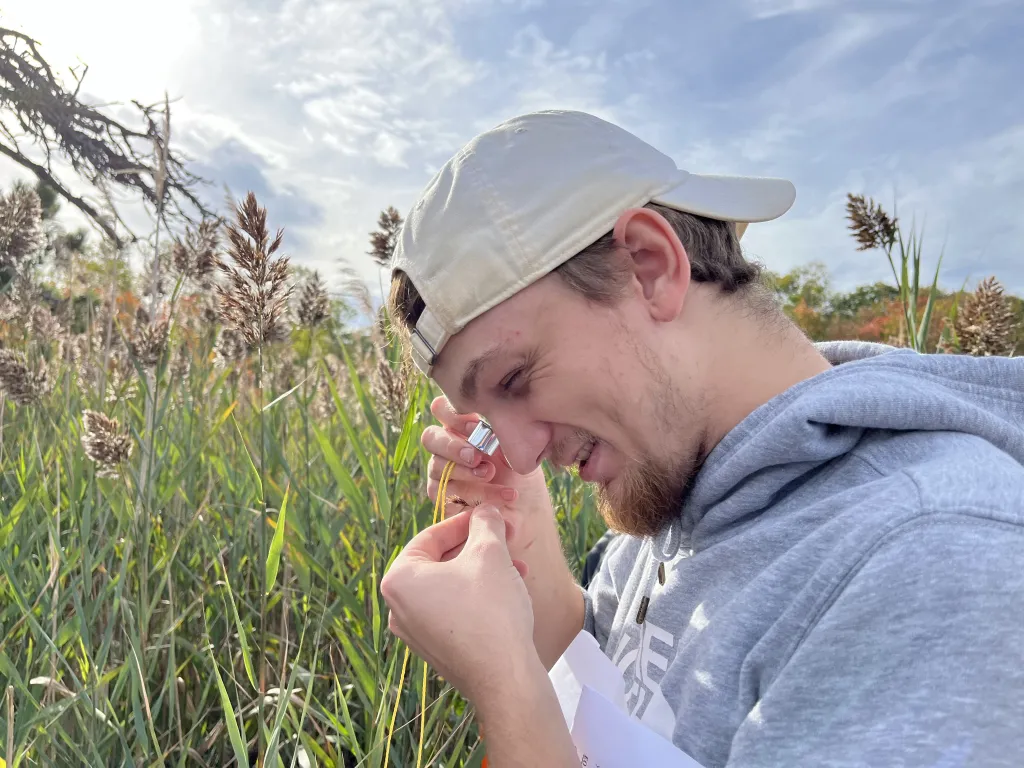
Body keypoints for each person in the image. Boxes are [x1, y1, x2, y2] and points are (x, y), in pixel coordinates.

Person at [378, 109, 1024, 767]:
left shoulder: (934, 565)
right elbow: (609, 686)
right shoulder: (669, 497)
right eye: (487, 419)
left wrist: (506, 693)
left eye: (515, 379)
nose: (518, 454)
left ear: (650, 266)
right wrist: (526, 534)